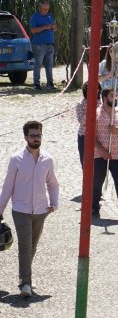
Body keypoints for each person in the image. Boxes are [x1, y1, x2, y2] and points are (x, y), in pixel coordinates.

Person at [0, 120, 58, 298]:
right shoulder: (16, 159)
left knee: (32, 246)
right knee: (25, 246)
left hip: (41, 210)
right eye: (32, 135)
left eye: (38, 135)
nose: (36, 138)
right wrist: (0, 209)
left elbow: (53, 183)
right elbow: (7, 186)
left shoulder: (47, 159)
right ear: (26, 137)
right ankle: (25, 283)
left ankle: (25, 276)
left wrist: (54, 203)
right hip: (20, 209)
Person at [92, 88, 118, 220]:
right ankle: (94, 207)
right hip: (100, 155)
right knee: (97, 182)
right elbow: (91, 136)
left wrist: (116, 129)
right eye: (112, 95)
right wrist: (102, 151)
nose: (115, 98)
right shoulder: (96, 113)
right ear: (104, 97)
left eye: (116, 96)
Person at [28, 1, 56, 90]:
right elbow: (33, 30)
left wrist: (55, 27)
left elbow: (55, 27)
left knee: (49, 65)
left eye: (47, 9)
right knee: (38, 64)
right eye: (44, 9)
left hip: (50, 44)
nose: (46, 11)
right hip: (39, 45)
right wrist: (45, 27)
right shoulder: (35, 17)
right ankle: (36, 84)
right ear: (40, 8)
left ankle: (50, 84)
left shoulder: (49, 16)